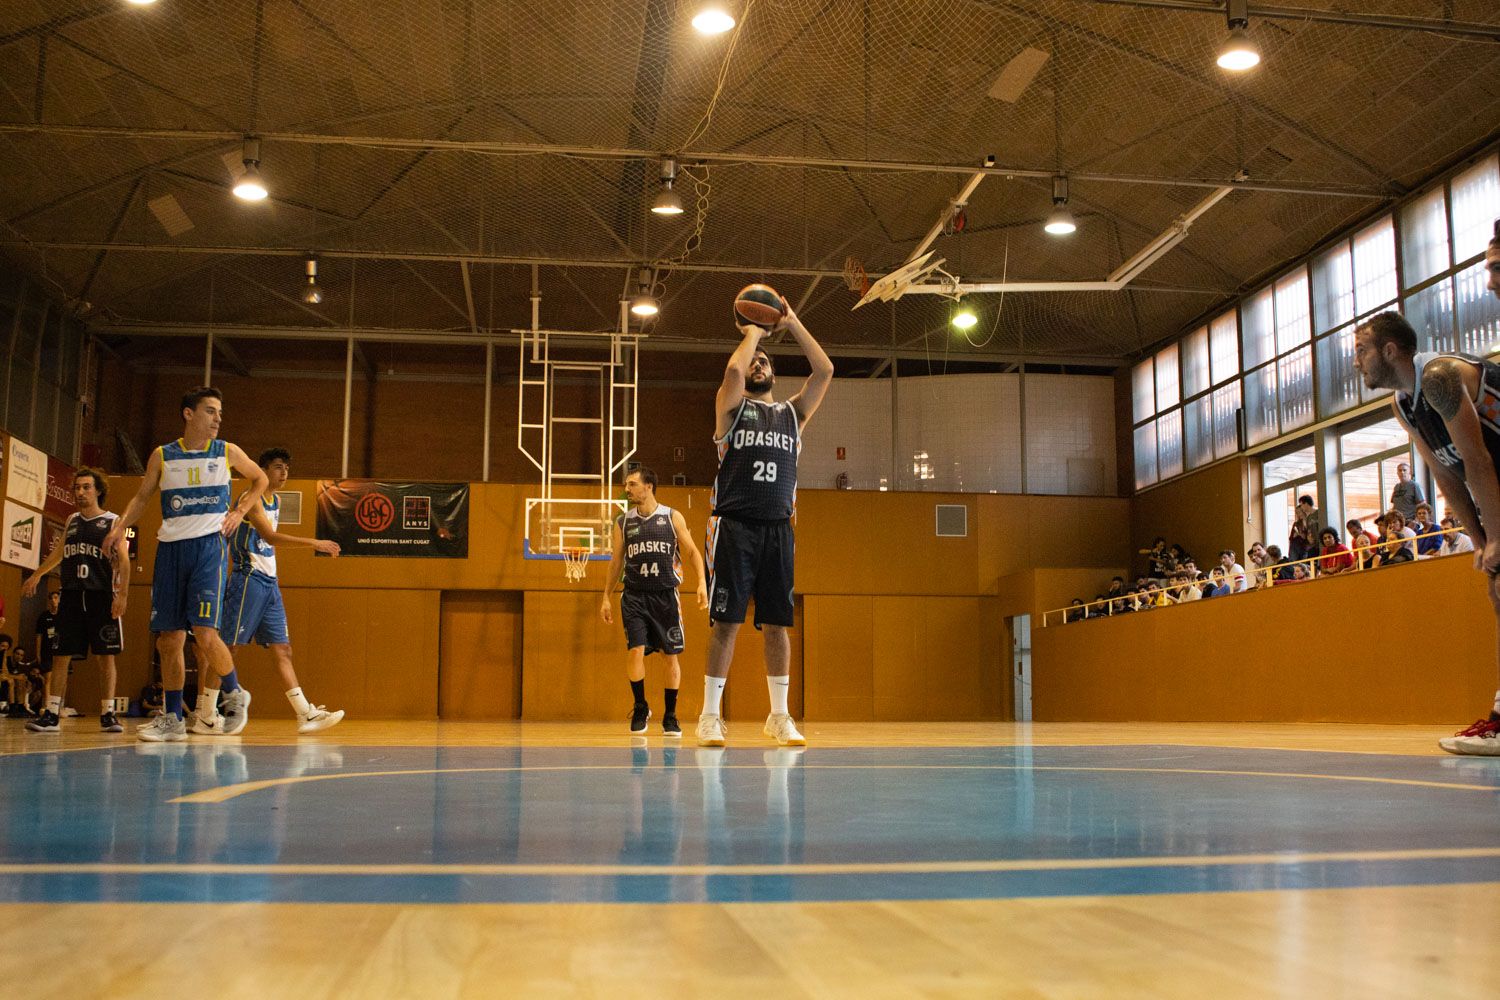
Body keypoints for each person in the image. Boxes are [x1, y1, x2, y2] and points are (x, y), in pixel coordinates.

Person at [1352, 289, 1500, 755]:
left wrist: (1496, 538)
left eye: (1361, 351)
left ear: (1390, 351)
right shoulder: (1403, 403)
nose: (1357, 362)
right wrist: (1480, 543)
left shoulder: (1438, 377)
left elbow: (1476, 461)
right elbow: (1444, 471)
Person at [696, 295, 833, 748]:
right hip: (734, 525)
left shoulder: (793, 415)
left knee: (779, 624)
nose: (757, 365)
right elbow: (733, 373)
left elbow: (825, 370)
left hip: (778, 529)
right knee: (727, 623)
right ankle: (710, 716)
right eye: (754, 361)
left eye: (765, 361)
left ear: (774, 372)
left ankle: (779, 715)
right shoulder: (732, 411)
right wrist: (753, 329)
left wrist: (789, 321)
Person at [104, 386, 269, 743]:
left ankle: (235, 693)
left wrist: (240, 511)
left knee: (206, 634)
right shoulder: (163, 455)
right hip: (170, 550)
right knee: (168, 640)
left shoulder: (226, 451)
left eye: (220, 413)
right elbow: (143, 495)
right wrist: (119, 529)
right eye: (210, 411)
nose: (217, 419)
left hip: (208, 549)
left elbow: (261, 478)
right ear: (188, 414)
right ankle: (173, 718)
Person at [195, 448, 345, 735]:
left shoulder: (274, 499)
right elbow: (270, 537)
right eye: (277, 467)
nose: (284, 472)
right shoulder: (250, 499)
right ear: (261, 471)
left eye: (287, 467)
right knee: (229, 647)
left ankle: (305, 714)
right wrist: (313, 542)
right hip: (248, 578)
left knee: (283, 649)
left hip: (269, 583)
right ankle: (204, 713)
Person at [601, 465, 708, 736]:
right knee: (635, 650)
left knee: (669, 657)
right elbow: (616, 562)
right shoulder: (623, 522)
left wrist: (702, 583)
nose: (627, 489)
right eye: (626, 485)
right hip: (635, 596)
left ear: (648, 486)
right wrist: (605, 597)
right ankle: (640, 707)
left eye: (632, 484)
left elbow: (693, 551)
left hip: (665, 596)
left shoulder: (672, 517)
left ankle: (670, 716)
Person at [20, 468, 129, 734]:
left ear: (98, 490)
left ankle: (108, 714)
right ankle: (52, 714)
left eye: (86, 487)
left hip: (100, 596)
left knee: (105, 657)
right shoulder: (71, 520)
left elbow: (124, 562)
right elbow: (59, 553)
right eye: (77, 488)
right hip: (70, 595)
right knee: (60, 655)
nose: (80, 492)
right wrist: (38, 574)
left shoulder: (113, 521)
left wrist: (123, 595)